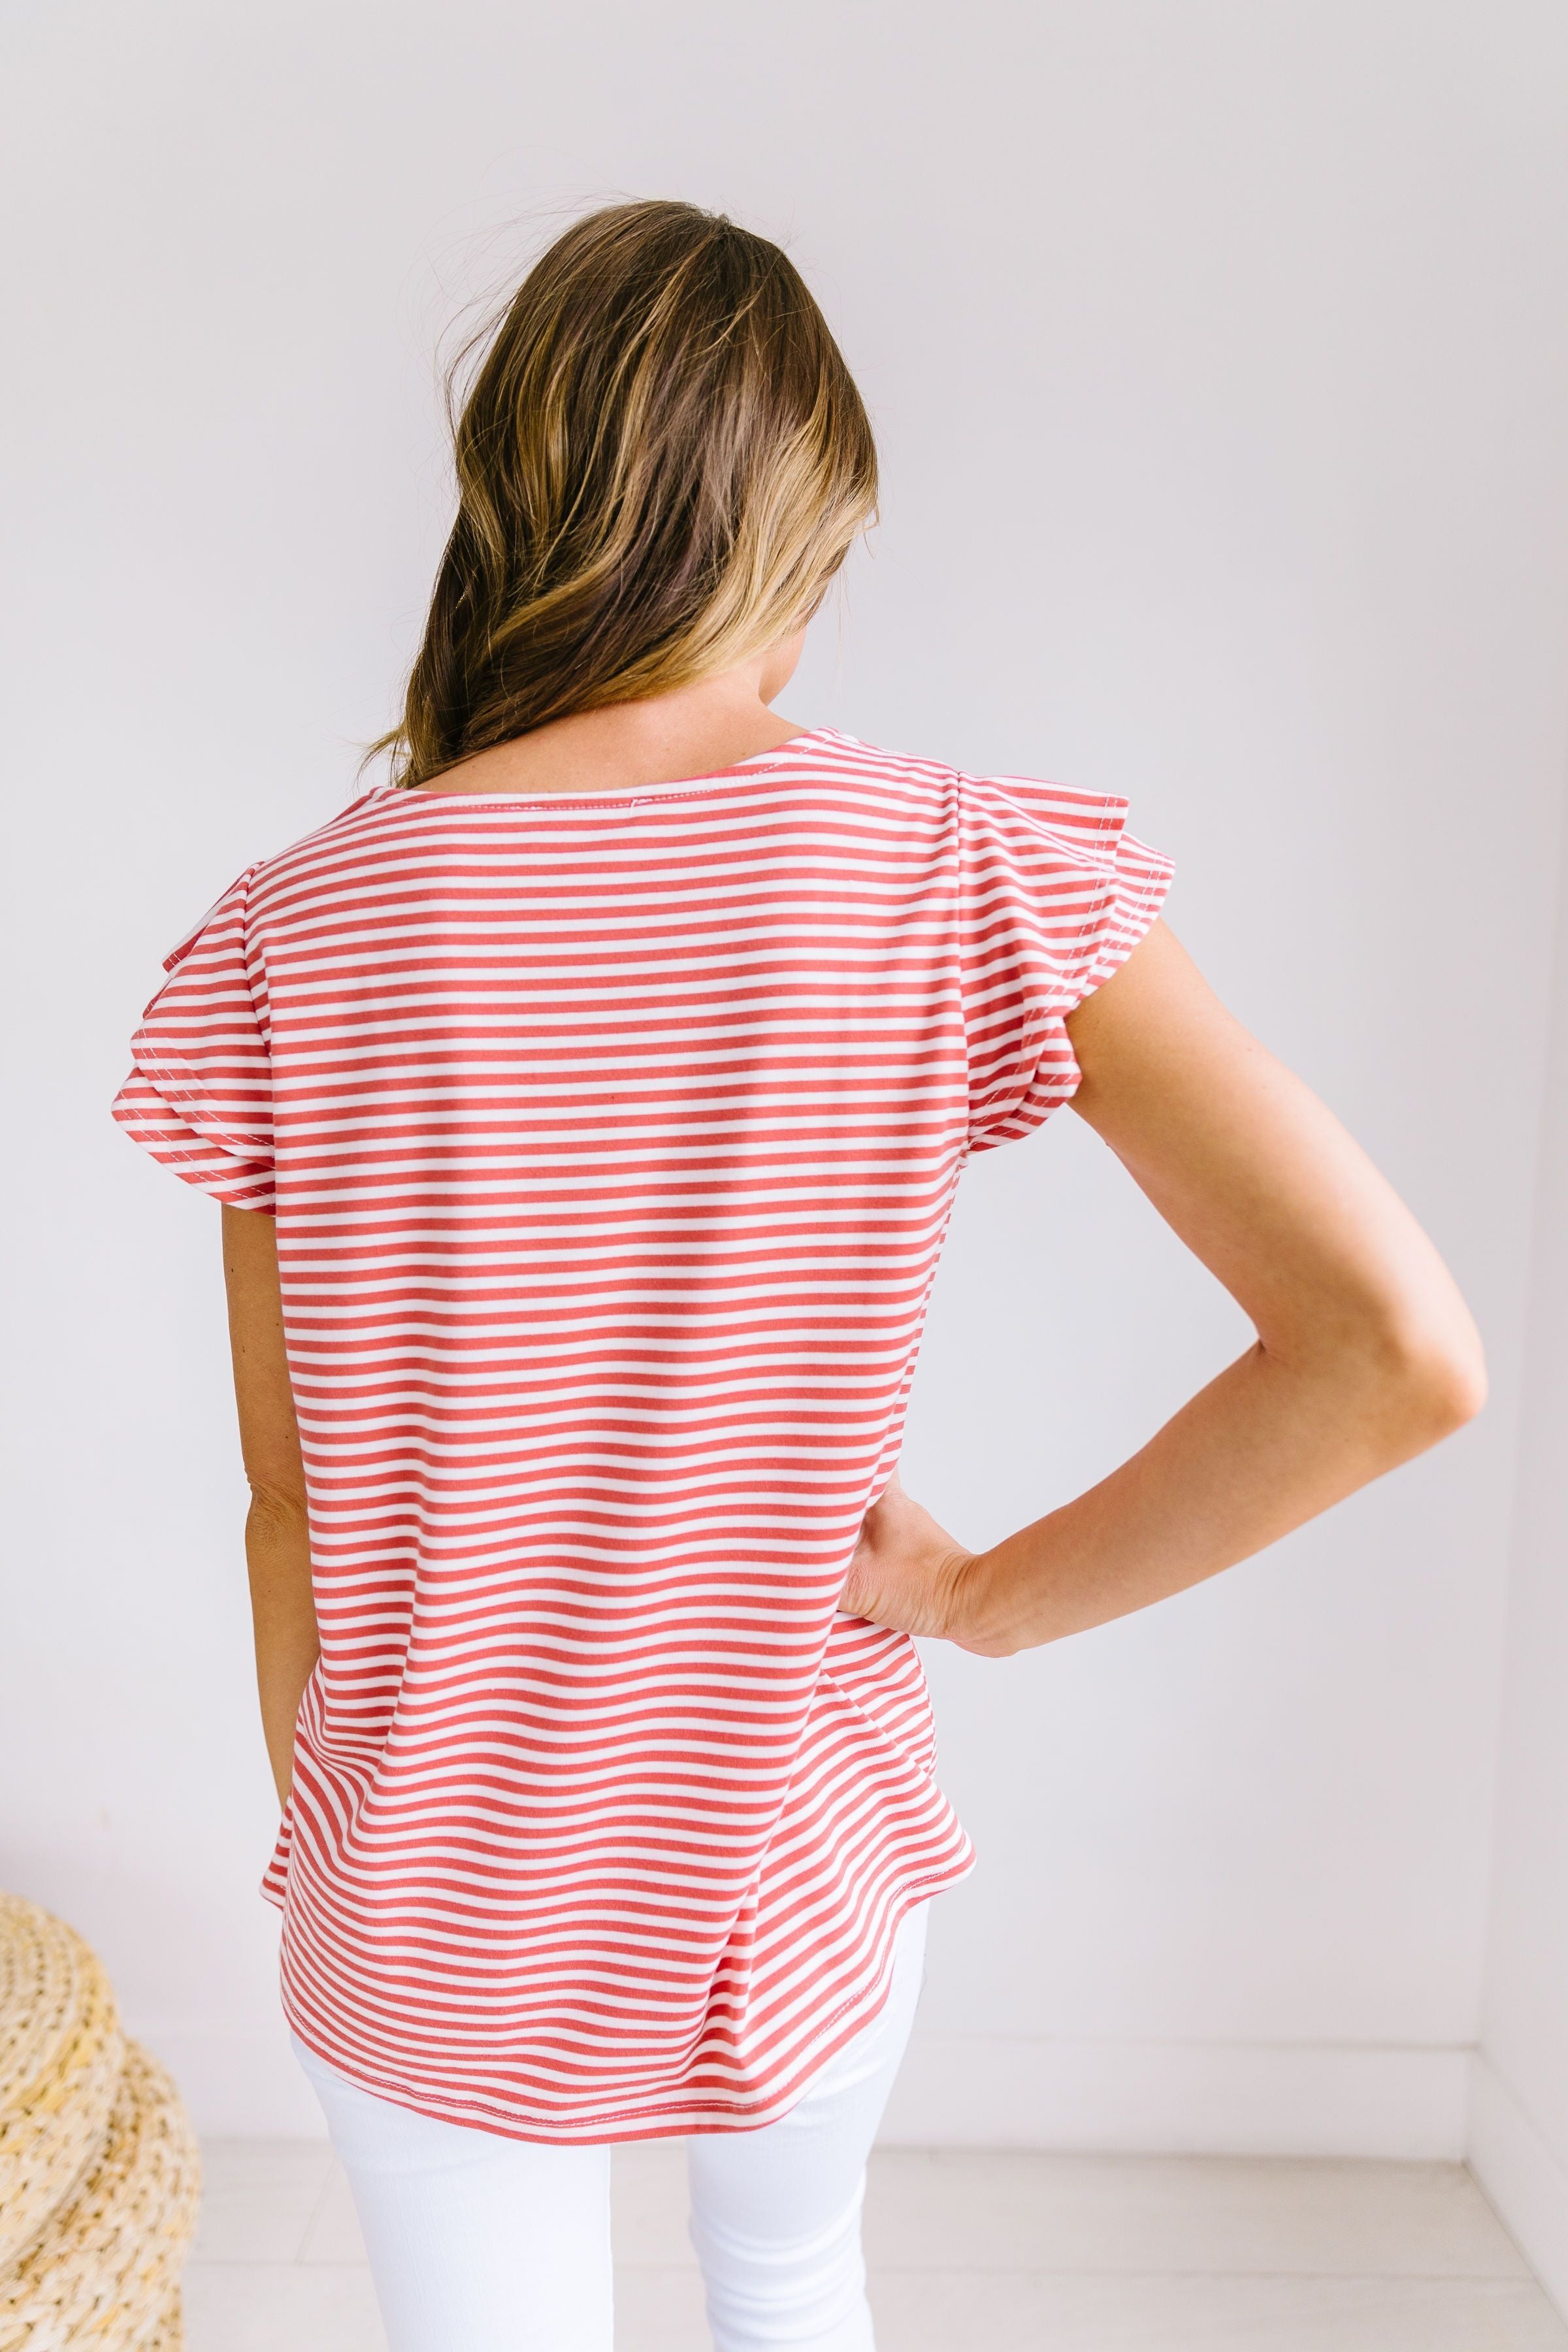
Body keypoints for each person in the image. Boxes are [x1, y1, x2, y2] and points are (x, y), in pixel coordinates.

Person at [111, 199, 1485, 2352]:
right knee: (789, 2283)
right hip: (785, 1821)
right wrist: (976, 1596)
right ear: (800, 540)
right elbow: (1393, 1350)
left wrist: (345, 1817)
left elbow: (293, 1495)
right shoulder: (945, 859)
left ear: (512, 505)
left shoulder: (291, 936)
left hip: (429, 1861)